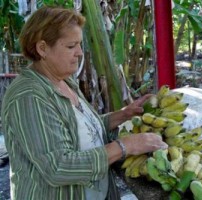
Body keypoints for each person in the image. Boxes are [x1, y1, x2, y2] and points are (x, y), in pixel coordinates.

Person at [1, 6, 168, 200]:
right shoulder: (29, 97)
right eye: (71, 46)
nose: (80, 53)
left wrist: (124, 114)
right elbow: (58, 167)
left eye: (80, 45)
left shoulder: (64, 81)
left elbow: (83, 131)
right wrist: (124, 146)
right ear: (42, 48)